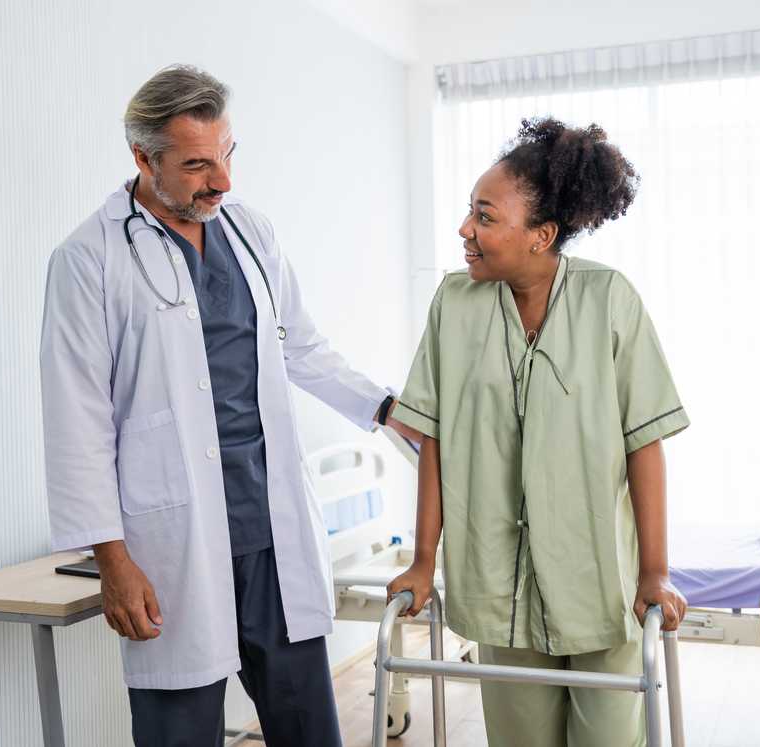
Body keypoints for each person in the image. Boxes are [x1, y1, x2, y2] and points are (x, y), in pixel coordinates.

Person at [40, 64, 419, 747]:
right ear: (142, 157)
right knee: (180, 731)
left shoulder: (249, 231)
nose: (223, 181)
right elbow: (77, 421)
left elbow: (301, 347)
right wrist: (114, 561)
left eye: (227, 156)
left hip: (271, 533)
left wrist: (387, 406)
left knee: (309, 728)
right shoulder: (88, 258)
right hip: (173, 545)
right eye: (196, 165)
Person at [388, 117, 689, 747]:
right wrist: (422, 562)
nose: (465, 231)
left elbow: (644, 442)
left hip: (600, 585)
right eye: (470, 213)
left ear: (541, 235)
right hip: (498, 585)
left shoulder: (610, 301)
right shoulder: (453, 305)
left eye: (486, 217)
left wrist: (654, 572)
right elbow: (434, 441)